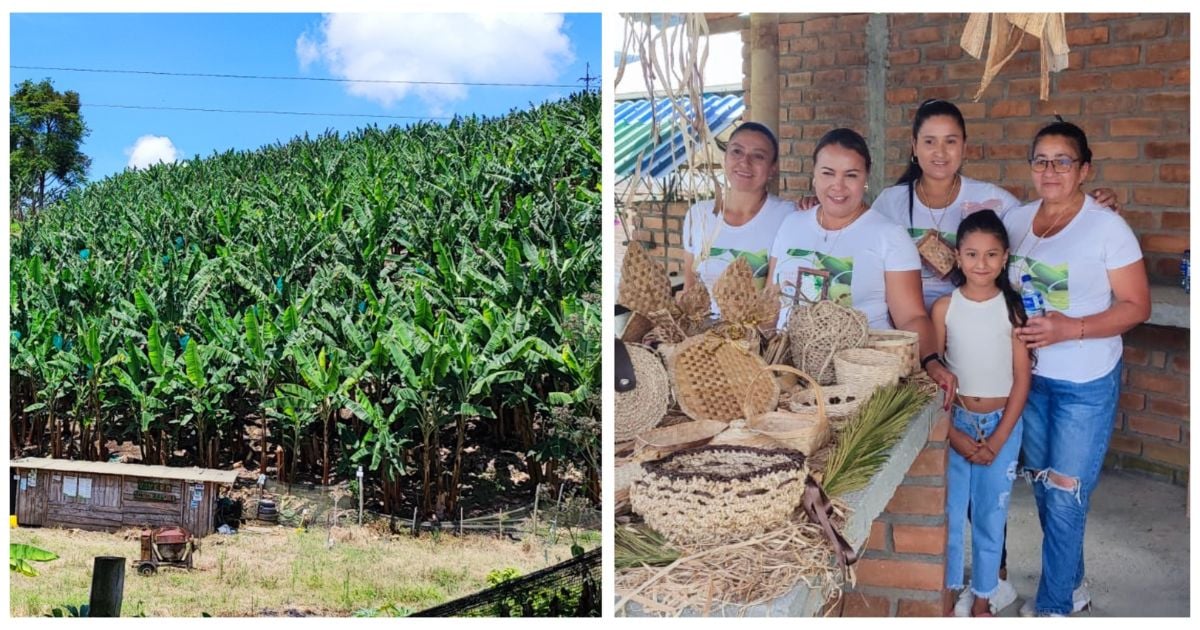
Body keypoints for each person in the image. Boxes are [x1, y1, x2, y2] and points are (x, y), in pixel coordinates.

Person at [1004, 121, 1150, 617]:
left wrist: (1072, 329)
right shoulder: (1017, 220)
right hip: (1030, 379)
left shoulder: (1108, 226)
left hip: (1084, 384)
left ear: (1084, 169)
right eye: (1041, 160)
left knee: (1066, 495)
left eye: (1063, 161)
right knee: (1046, 489)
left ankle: (1054, 608)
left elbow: (1136, 305)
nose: (1050, 170)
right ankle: (1073, 582)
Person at [872, 98, 1119, 310]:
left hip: (971, 324)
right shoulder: (890, 202)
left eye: (950, 141)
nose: (940, 152)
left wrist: (1088, 205)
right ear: (914, 146)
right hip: (903, 331)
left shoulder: (993, 200)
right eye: (929, 141)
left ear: (964, 147)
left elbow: (1043, 222)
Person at [767, 128, 956, 396]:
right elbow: (772, 302)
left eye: (851, 175)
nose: (838, 186)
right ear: (814, 174)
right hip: (786, 378)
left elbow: (911, 317)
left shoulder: (888, 235)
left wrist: (931, 361)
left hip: (858, 381)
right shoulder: (791, 224)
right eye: (828, 173)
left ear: (866, 178)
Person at [933, 209, 1031, 617]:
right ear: (958, 257)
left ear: (1005, 257)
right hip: (956, 423)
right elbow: (933, 379)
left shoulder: (1013, 310)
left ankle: (984, 595)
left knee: (992, 513)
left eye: (991, 255)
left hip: (1001, 425)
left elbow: (1022, 381)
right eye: (972, 254)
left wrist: (997, 439)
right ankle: (952, 587)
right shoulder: (944, 308)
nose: (981, 264)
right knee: (952, 512)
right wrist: (952, 435)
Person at [680, 121, 796, 316]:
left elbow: (773, 301)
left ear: (773, 168)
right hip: (700, 339)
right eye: (736, 152)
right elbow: (689, 288)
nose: (745, 162)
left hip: (754, 339)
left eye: (758, 156)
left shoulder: (787, 216)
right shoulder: (698, 214)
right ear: (725, 158)